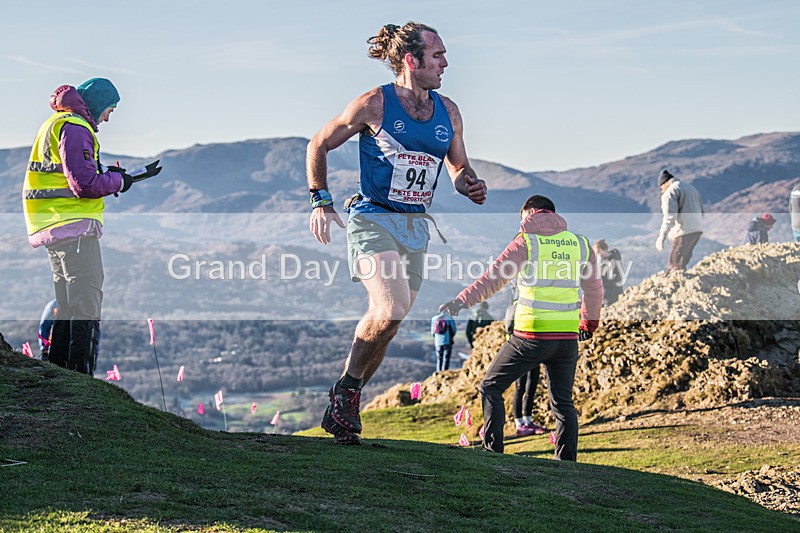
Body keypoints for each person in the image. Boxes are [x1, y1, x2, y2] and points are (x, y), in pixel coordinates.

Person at [306, 22, 488, 445]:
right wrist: (320, 200)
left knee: (393, 319)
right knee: (389, 306)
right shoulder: (374, 103)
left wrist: (469, 184)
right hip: (372, 217)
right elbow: (318, 144)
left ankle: (344, 397)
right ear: (412, 60)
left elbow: (458, 166)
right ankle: (347, 393)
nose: (445, 63)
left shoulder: (449, 112)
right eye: (437, 55)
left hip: (415, 225)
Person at [439, 195, 603, 460]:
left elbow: (494, 278)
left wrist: (462, 300)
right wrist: (589, 323)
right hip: (566, 338)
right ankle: (567, 465)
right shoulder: (581, 244)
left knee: (491, 386)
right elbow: (594, 288)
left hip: (531, 336)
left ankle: (493, 452)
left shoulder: (526, 241)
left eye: (522, 217)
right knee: (563, 403)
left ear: (531, 212)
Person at [22, 79, 147, 375]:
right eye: (109, 110)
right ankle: (81, 375)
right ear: (97, 103)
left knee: (68, 304)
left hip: (53, 225)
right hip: (73, 227)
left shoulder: (56, 123)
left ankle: (59, 371)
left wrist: (110, 174)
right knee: (87, 303)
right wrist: (120, 181)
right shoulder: (77, 128)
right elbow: (84, 185)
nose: (107, 118)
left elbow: (71, 175)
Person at [503, 282, 546, 437]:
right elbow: (509, 328)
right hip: (520, 352)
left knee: (530, 386)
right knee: (521, 388)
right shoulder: (514, 307)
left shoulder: (533, 306)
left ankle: (528, 421)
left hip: (533, 350)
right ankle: (519, 424)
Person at [655, 170, 704, 273]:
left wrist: (662, 237)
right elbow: (702, 210)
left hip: (683, 231)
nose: (662, 190)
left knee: (674, 265)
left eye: (661, 187)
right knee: (681, 263)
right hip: (697, 230)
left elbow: (669, 216)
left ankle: (674, 282)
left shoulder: (670, 191)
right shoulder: (691, 188)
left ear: (665, 182)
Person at [593, 239, 624, 305]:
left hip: (612, 297)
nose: (597, 254)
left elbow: (616, 278)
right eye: (595, 252)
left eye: (598, 251)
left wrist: (600, 281)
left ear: (604, 250)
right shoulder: (602, 262)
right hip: (604, 297)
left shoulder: (614, 261)